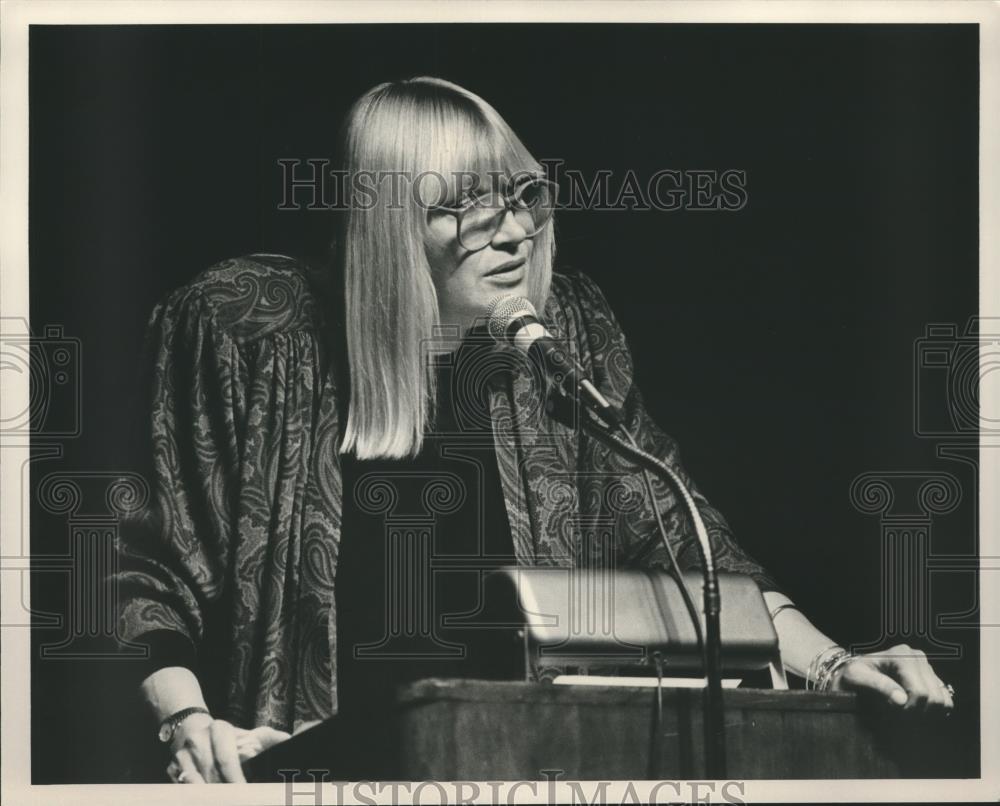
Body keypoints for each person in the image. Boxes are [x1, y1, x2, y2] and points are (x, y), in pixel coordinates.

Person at [114, 76, 955, 784]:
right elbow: (141, 567)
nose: (515, 230)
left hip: (529, 770)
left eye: (521, 196)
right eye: (470, 206)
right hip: (297, 770)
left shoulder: (563, 336)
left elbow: (681, 542)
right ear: (391, 224)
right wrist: (189, 722)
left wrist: (838, 665)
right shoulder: (247, 326)